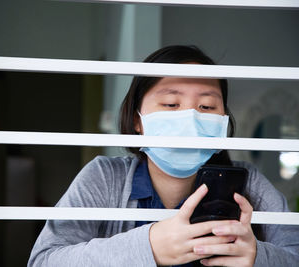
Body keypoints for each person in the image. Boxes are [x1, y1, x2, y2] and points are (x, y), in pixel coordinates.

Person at [27, 45, 299, 266]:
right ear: (137, 120)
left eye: (207, 105)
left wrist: (257, 258)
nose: (190, 118)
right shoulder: (104, 177)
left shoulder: (249, 183)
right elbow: (44, 261)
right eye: (171, 104)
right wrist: (149, 246)